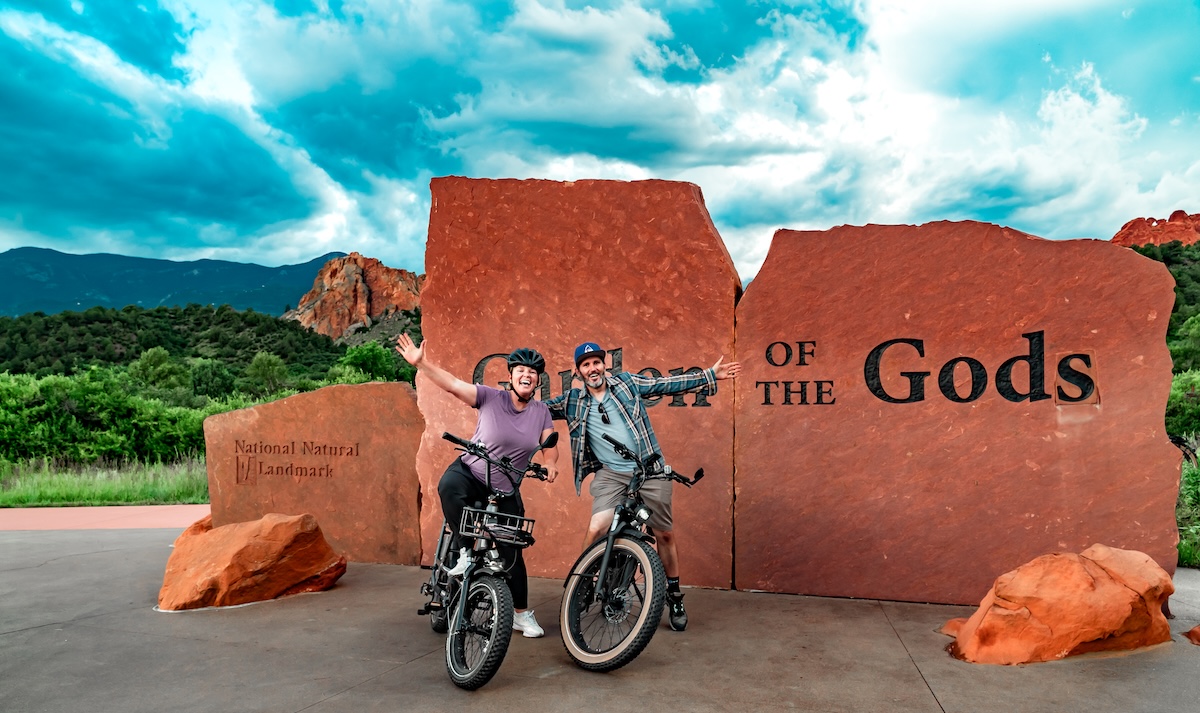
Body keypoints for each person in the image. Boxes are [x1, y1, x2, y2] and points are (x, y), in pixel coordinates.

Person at [545, 341, 739, 631]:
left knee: (665, 536)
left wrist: (709, 375)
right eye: (585, 365)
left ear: (604, 364)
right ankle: (583, 585)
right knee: (597, 527)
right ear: (578, 371)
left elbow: (666, 384)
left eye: (596, 362)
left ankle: (674, 596)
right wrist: (497, 401)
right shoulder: (572, 401)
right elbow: (531, 410)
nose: (592, 368)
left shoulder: (625, 384)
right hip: (611, 475)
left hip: (649, 470)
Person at [395, 333, 559, 638]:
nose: (527, 375)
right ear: (510, 376)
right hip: (471, 472)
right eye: (521, 370)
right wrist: (422, 364)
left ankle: (521, 615)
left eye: (533, 372)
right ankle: (462, 553)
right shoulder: (490, 397)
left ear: (537, 381)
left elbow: (549, 442)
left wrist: (552, 463)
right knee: (449, 487)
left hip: (505, 485)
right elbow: (453, 385)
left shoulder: (541, 412)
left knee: (512, 552)